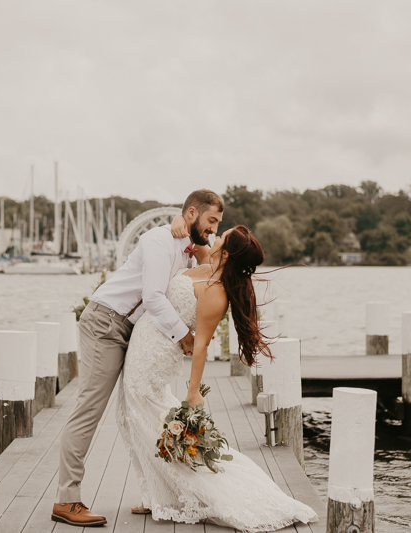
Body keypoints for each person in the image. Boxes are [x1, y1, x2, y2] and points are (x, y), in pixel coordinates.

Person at [115, 225, 318, 531]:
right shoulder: (207, 263)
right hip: (144, 344)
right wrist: (176, 219)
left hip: (155, 358)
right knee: (136, 419)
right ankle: (156, 494)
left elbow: (201, 345)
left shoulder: (217, 293)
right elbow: (189, 236)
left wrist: (193, 390)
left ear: (227, 251)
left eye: (223, 235)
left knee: (147, 420)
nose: (217, 234)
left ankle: (169, 495)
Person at [52, 189, 224, 527]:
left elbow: (210, 265)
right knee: (89, 409)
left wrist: (186, 223)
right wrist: (185, 337)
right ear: (192, 213)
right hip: (106, 323)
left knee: (137, 410)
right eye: (211, 221)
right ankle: (66, 500)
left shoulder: (189, 247)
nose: (214, 229)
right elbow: (153, 297)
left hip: (130, 330)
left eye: (218, 224)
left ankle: (157, 493)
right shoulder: (159, 241)